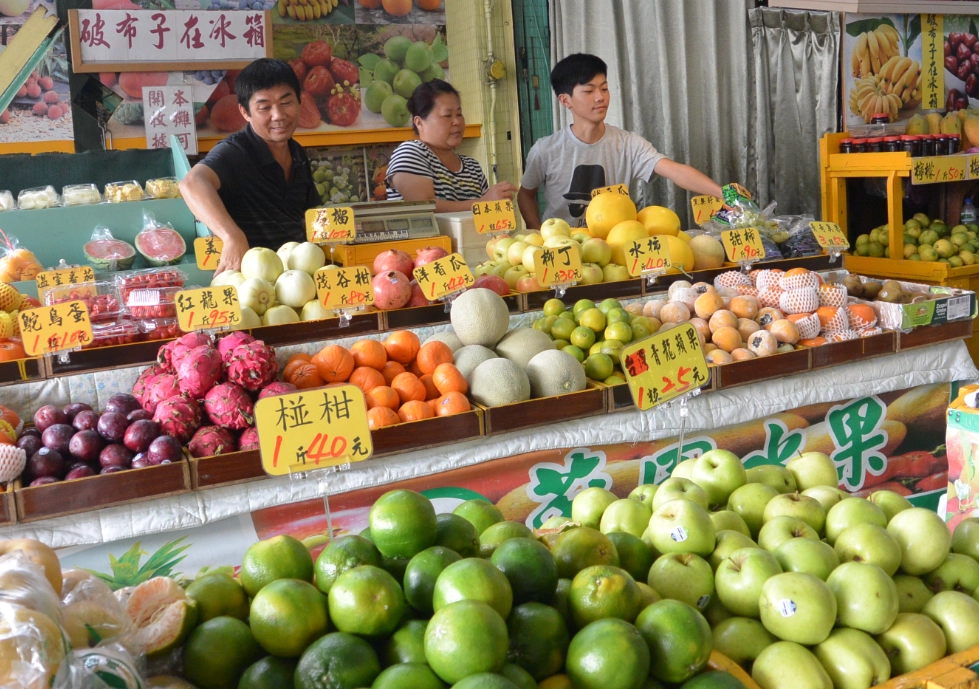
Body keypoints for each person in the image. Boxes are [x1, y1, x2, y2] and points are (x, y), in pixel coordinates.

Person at [517, 53, 723, 229]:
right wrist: (537, 233)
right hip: (565, 251)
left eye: (604, 88)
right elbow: (526, 194)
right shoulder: (546, 150)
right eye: (589, 91)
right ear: (565, 100)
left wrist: (724, 194)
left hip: (616, 246)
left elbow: (676, 170)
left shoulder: (628, 143)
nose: (600, 97)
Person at [180, 58, 320, 274]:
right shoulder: (235, 152)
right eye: (264, 107)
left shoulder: (298, 153)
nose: (278, 115)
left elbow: (309, 214)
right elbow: (192, 183)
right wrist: (231, 236)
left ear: (300, 101)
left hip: (296, 279)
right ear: (245, 112)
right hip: (251, 283)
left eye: (286, 103)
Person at [386, 79, 517, 212]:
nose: (457, 122)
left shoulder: (473, 168)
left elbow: (485, 218)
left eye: (459, 114)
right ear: (419, 123)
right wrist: (482, 203)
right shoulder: (410, 153)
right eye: (447, 115)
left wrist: (498, 206)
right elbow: (424, 206)